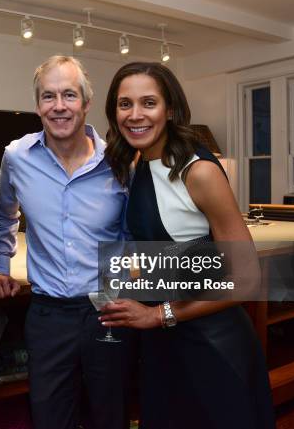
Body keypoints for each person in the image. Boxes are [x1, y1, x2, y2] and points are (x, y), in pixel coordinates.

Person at [100, 61, 275, 429]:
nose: (135, 115)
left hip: (212, 343)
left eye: (149, 103)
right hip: (164, 347)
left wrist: (156, 314)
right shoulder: (138, 164)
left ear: (171, 110)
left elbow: (245, 278)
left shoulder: (199, 172)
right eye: (124, 104)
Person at [0, 55, 134, 429]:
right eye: (48, 96)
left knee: (110, 414)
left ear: (86, 103)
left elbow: (130, 233)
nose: (59, 106)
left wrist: (120, 288)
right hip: (47, 314)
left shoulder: (119, 163)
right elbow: (3, 215)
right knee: (49, 415)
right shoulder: (17, 158)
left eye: (69, 95)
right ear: (37, 106)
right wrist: (1, 267)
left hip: (107, 310)